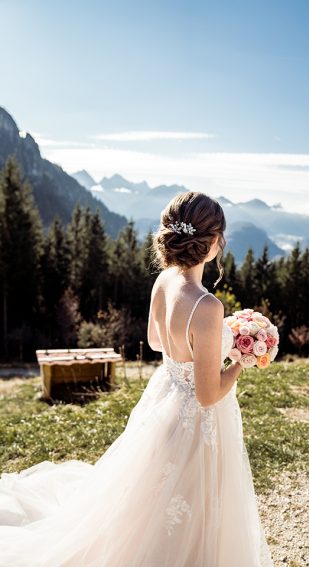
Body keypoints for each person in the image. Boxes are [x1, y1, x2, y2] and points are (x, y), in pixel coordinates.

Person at [0, 191, 274, 566]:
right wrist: (241, 357)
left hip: (165, 399)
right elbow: (210, 395)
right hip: (196, 418)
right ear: (212, 243)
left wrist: (204, 344)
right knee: (193, 497)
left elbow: (156, 340)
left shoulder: (164, 280)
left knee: (148, 496)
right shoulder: (207, 305)